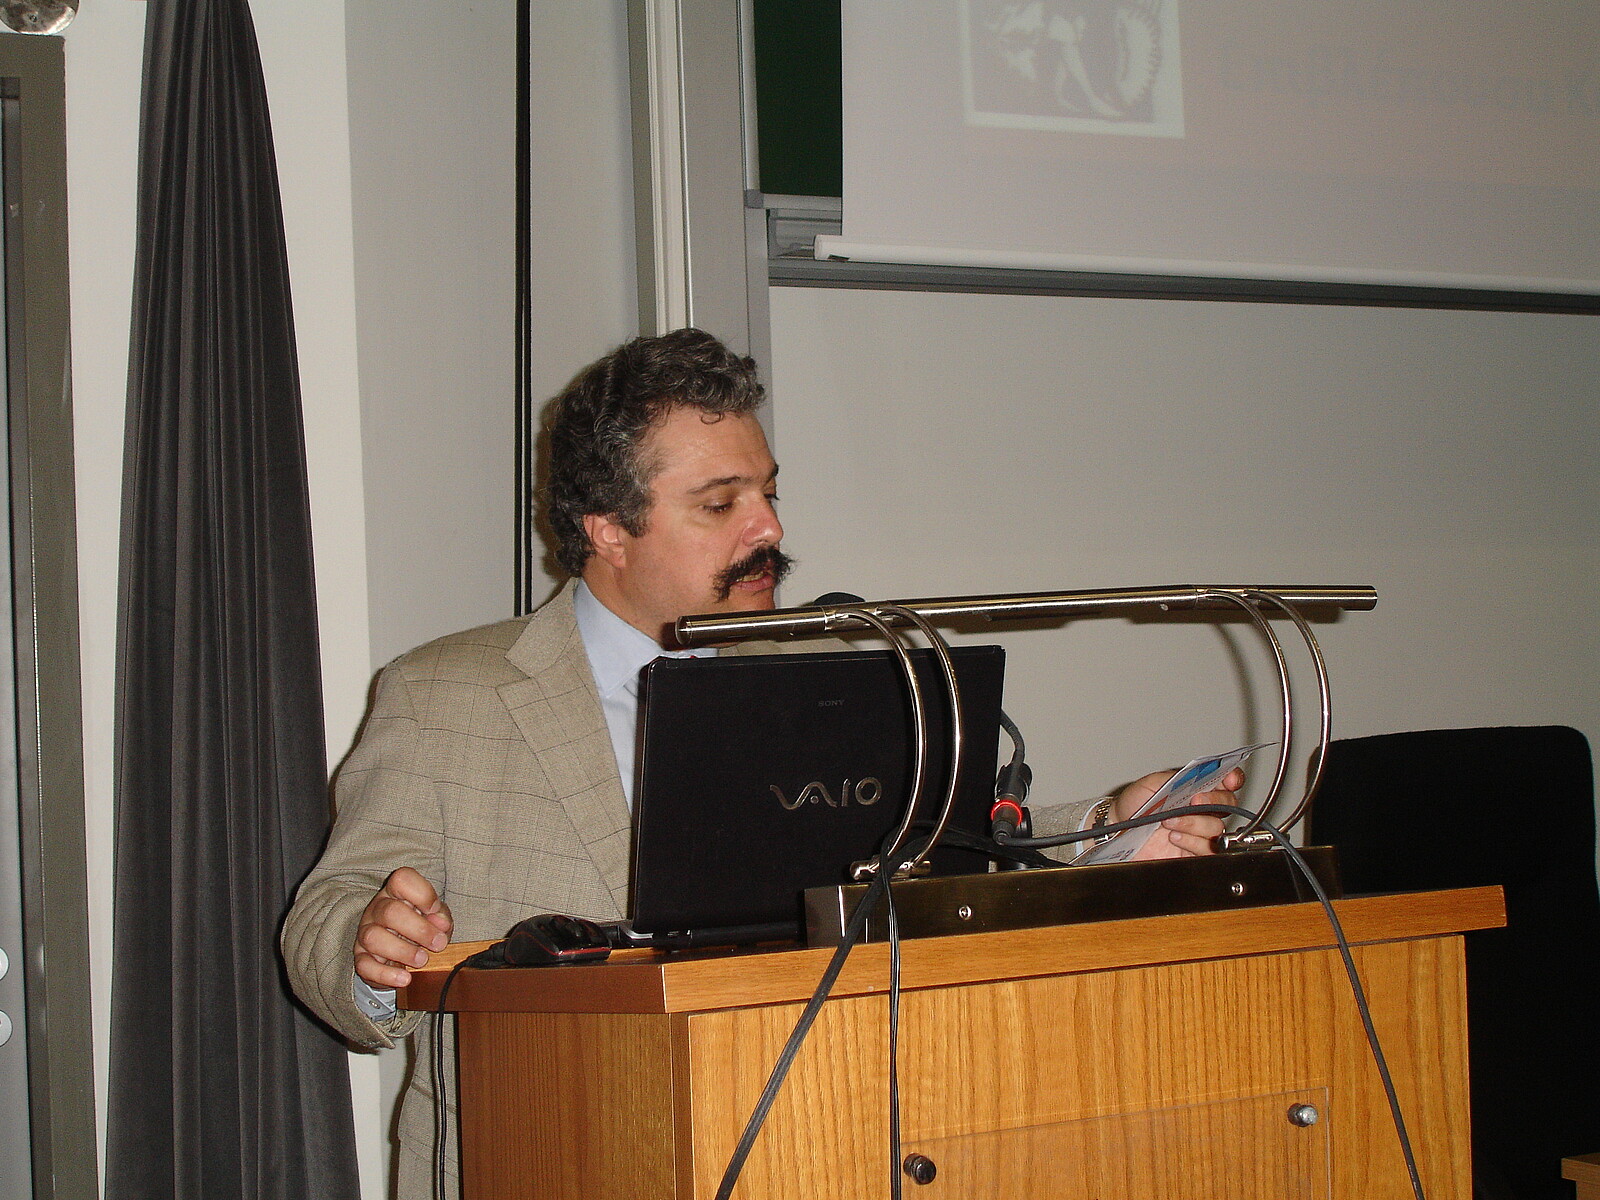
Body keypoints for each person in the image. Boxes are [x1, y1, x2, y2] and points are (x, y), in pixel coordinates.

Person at [281, 328, 1235, 1197]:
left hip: (810, 1148)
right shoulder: (447, 695)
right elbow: (326, 914)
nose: (769, 528)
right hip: (545, 1153)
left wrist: (1111, 827)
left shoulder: (817, 674)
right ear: (608, 529)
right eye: (721, 503)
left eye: (768, 491)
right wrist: (371, 947)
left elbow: (939, 860)